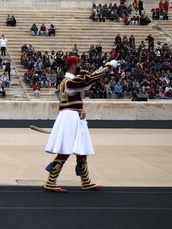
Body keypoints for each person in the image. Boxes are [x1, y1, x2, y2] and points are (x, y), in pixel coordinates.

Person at [43, 56, 118, 193]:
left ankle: (86, 181)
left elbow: (86, 83)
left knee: (81, 149)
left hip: (74, 117)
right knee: (65, 151)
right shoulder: (70, 82)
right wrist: (108, 67)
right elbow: (88, 80)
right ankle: (50, 181)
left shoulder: (66, 82)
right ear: (74, 65)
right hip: (71, 117)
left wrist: (90, 74)